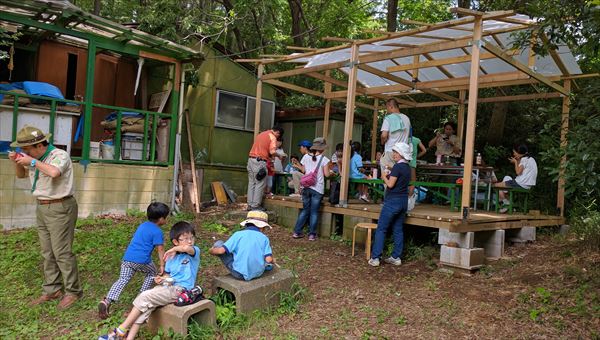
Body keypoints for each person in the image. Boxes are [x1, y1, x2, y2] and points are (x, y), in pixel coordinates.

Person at [8, 125, 82, 309]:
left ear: (39, 145)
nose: (24, 152)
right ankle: (52, 289)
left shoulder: (59, 155)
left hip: (60, 206)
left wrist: (31, 162)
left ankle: (73, 292)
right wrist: (17, 162)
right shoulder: (35, 157)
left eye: (26, 149)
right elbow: (21, 176)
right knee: (47, 252)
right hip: (42, 206)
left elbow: (54, 172)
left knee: (62, 252)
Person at [98, 221, 200, 340]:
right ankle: (128, 338)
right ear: (175, 241)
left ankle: (120, 331)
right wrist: (161, 279)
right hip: (168, 287)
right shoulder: (171, 258)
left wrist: (173, 249)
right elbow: (168, 276)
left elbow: (187, 248)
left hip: (182, 289)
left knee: (145, 296)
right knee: (145, 308)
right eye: (185, 238)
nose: (189, 241)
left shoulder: (194, 252)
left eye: (191, 237)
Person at [97, 202, 169, 319]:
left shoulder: (142, 226)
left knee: (123, 279)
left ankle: (107, 301)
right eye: (166, 217)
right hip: (142, 261)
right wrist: (162, 265)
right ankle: (139, 299)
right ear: (161, 219)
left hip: (127, 259)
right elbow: (160, 249)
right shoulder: (157, 231)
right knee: (152, 273)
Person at [368, 142, 412, 267]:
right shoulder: (406, 167)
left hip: (392, 201)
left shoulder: (397, 167)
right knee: (398, 229)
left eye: (396, 152)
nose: (393, 154)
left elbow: (390, 184)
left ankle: (375, 258)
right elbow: (399, 176)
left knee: (381, 228)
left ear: (402, 154)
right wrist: (391, 170)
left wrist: (383, 177)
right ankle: (396, 257)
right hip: (403, 201)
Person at [208, 210, 274, 281]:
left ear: (247, 223)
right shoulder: (264, 238)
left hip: (239, 274)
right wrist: (273, 261)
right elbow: (268, 259)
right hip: (258, 273)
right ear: (262, 227)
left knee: (219, 243)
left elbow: (221, 251)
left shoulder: (238, 234)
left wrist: (211, 251)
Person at [292, 137, 332, 241]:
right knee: (314, 212)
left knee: (305, 210)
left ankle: (297, 232)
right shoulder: (324, 159)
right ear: (322, 148)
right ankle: (312, 235)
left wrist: (297, 166)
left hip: (306, 187)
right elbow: (327, 174)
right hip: (317, 188)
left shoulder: (305, 156)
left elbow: (304, 171)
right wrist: (332, 173)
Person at [247, 126, 284, 210]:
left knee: (252, 183)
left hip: (250, 160)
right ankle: (255, 205)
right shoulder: (272, 137)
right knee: (260, 183)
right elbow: (272, 151)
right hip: (260, 162)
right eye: (278, 136)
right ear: (277, 132)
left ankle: (250, 204)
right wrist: (279, 156)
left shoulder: (261, 134)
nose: (277, 138)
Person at [494, 144, 538, 213]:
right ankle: (509, 205)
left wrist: (515, 162)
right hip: (527, 185)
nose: (514, 154)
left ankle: (507, 203)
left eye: (514, 152)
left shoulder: (524, 160)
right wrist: (517, 161)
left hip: (520, 183)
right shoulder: (531, 159)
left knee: (496, 186)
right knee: (506, 178)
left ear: (519, 153)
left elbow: (518, 172)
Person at [380, 98, 411, 176]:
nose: (387, 110)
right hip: (403, 153)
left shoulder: (388, 118)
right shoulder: (407, 118)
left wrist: (382, 141)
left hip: (390, 151)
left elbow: (384, 135)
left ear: (390, 106)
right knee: (399, 177)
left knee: (387, 176)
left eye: (387, 107)